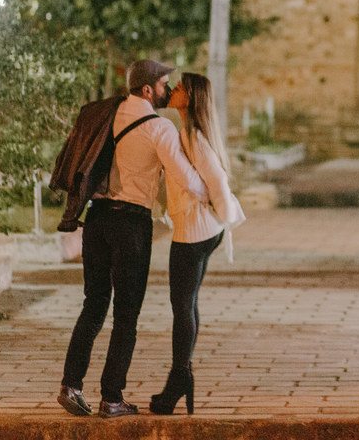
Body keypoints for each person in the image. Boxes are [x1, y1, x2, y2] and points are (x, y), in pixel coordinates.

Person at [57, 59, 201, 419]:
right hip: (131, 225)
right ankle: (112, 398)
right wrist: (215, 192)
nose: (168, 90)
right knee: (126, 314)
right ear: (148, 89)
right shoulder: (159, 127)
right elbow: (185, 178)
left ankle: (71, 386)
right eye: (164, 84)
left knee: (93, 305)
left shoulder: (109, 113)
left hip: (97, 219)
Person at [149, 72, 245, 415]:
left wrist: (220, 210)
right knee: (186, 304)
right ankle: (181, 376)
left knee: (182, 306)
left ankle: (178, 380)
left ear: (190, 98)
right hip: (202, 230)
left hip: (195, 233)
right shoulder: (190, 132)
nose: (173, 90)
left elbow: (216, 179)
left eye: (179, 88)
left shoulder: (192, 136)